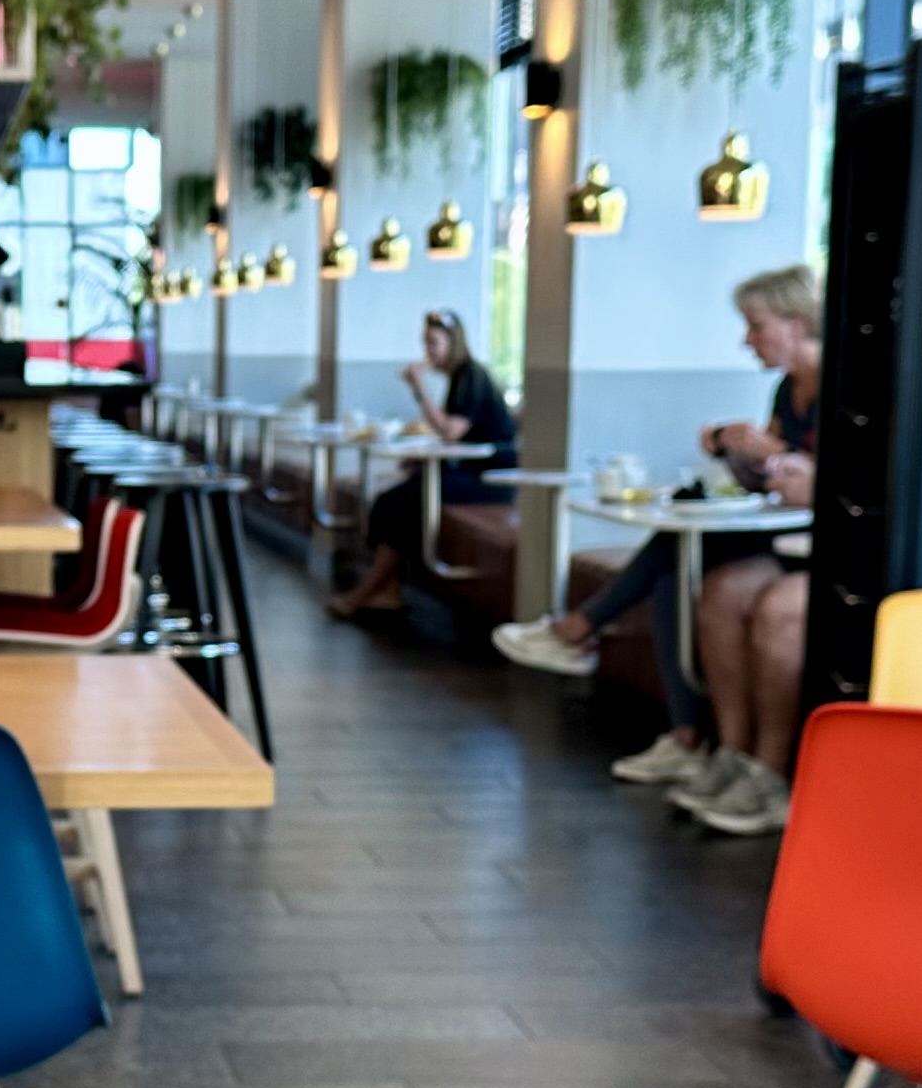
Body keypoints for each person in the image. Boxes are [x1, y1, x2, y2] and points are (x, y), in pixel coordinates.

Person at [493, 266, 821, 824]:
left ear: (795, 323)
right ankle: (728, 756)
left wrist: (787, 463)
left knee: (685, 555)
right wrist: (736, 450)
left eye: (756, 325)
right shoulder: (786, 390)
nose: (747, 340)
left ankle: (584, 633)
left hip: (814, 550)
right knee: (696, 577)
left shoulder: (848, 386)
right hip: (780, 539)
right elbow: (773, 479)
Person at [327, 309, 519, 621]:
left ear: (453, 343)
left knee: (405, 502)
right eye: (425, 343)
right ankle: (389, 591)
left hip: (492, 481)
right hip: (470, 470)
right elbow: (458, 439)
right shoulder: (460, 378)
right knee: (389, 501)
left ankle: (365, 592)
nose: (428, 351)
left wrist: (418, 387)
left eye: (433, 343)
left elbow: (450, 431)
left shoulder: (471, 377)